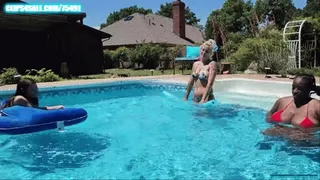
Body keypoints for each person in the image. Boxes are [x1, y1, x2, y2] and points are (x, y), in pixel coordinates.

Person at [184, 39, 219, 104]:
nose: (204, 52)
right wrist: (186, 96)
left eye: (207, 51)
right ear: (200, 50)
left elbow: (210, 83)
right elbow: (190, 82)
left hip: (207, 99)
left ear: (210, 54)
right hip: (195, 98)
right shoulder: (195, 64)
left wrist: (203, 99)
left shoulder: (212, 64)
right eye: (203, 50)